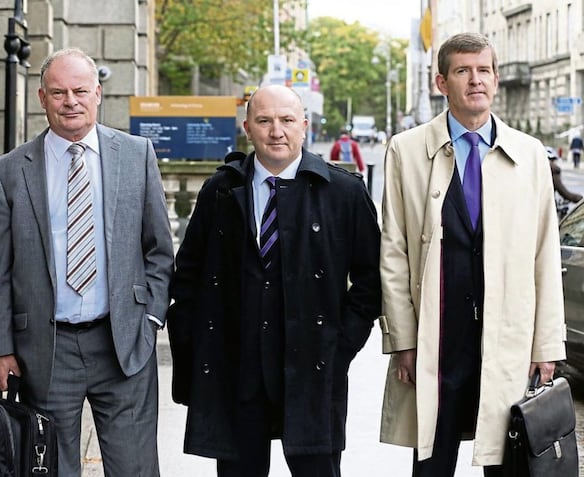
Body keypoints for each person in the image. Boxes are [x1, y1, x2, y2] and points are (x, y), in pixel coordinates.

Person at [167, 84, 381, 477]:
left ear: (304, 126)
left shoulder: (343, 192)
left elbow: (371, 280)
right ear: (248, 128)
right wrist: (194, 341)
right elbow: (189, 274)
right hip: (238, 368)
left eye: (286, 120)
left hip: (313, 366)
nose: (276, 131)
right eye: (264, 121)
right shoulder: (221, 190)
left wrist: (342, 345)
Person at [379, 32, 566, 476]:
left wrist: (546, 343)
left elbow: (545, 254)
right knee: (432, 458)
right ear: (442, 82)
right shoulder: (406, 151)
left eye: (484, 70)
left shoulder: (529, 155)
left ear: (496, 79)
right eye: (463, 71)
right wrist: (402, 340)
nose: (475, 81)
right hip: (437, 337)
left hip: (507, 338)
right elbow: (394, 252)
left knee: (505, 457)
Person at [0, 47, 173, 476]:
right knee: (50, 468)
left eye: (80, 91)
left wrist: (151, 320)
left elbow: (159, 250)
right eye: (58, 92)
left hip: (122, 342)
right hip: (45, 353)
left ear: (98, 94)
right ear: (41, 98)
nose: (70, 101)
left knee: (135, 468)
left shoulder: (136, 154)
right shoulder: (8, 172)